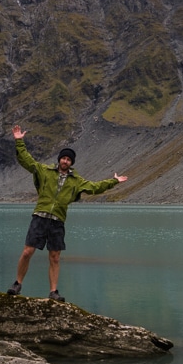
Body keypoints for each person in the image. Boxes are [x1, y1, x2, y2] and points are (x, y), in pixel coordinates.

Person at [8, 124, 128, 301]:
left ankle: (53, 292)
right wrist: (19, 141)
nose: (65, 161)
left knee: (55, 257)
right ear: (59, 160)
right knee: (27, 252)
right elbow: (27, 160)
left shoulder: (76, 181)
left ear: (71, 163)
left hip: (57, 220)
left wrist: (113, 181)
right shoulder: (44, 171)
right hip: (40, 216)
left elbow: (95, 187)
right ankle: (17, 283)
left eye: (68, 160)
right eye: (63, 158)